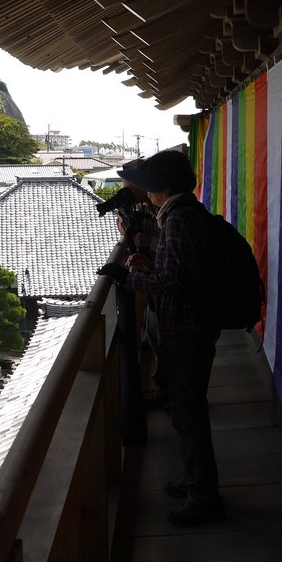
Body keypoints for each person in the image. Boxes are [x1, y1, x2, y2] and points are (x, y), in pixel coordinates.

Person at [97, 150, 224, 526]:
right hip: (191, 324)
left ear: (164, 186)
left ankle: (203, 498)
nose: (145, 191)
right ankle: (195, 481)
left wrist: (130, 277)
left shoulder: (179, 219)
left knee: (188, 414)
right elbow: (181, 271)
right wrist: (151, 266)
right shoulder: (184, 213)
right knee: (187, 411)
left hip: (185, 328)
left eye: (150, 184)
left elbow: (174, 283)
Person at [113, 159, 166, 410]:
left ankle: (171, 393)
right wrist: (123, 214)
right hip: (153, 278)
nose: (127, 191)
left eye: (130, 187)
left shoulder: (163, 208)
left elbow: (171, 242)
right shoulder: (139, 207)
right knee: (156, 336)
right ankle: (167, 390)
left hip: (164, 280)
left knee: (164, 338)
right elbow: (126, 232)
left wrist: (148, 243)